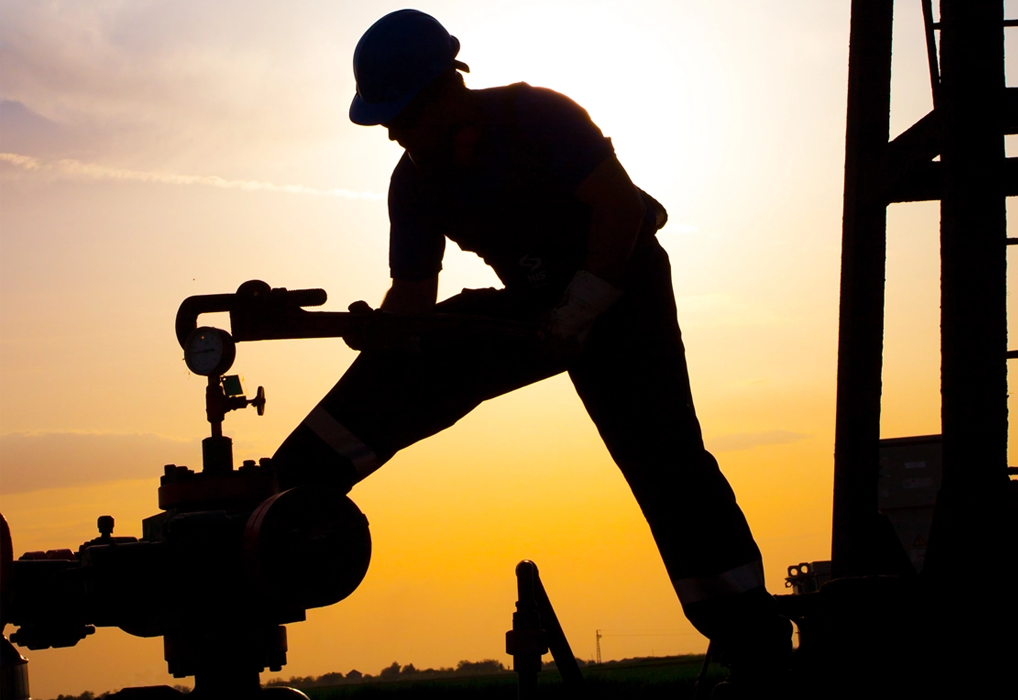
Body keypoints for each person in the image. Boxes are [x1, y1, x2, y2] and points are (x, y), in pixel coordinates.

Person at [271, 9, 790, 689]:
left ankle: (754, 646)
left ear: (444, 93)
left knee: (665, 459)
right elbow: (414, 298)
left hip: (624, 289)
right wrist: (384, 336)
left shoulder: (540, 117)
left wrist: (584, 308)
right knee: (427, 349)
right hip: (536, 306)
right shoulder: (416, 182)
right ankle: (290, 496)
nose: (392, 132)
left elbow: (620, 208)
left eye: (398, 115)